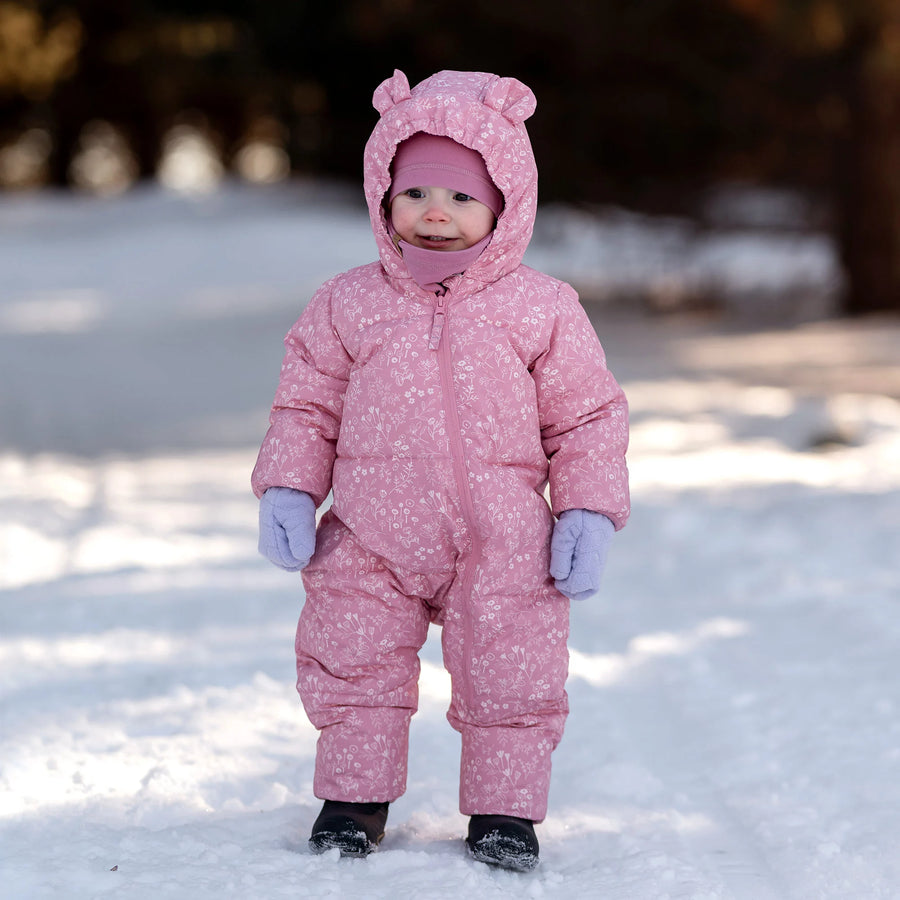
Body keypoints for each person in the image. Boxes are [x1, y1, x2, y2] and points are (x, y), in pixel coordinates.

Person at [252, 69, 630, 871]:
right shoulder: (348, 302)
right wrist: (288, 486)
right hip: (369, 530)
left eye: (461, 197)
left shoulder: (541, 307)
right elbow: (305, 405)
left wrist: (587, 510)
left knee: (513, 669)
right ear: (382, 195)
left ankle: (505, 811)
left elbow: (588, 418)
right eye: (415, 190)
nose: (435, 211)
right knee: (350, 657)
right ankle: (354, 800)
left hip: (502, 536)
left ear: (505, 203)